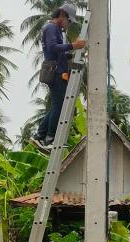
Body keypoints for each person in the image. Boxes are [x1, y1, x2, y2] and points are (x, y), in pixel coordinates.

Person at [31, 3, 86, 150]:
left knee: (58, 105)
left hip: (57, 71)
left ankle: (40, 135)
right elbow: (52, 47)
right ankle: (50, 138)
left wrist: (72, 53)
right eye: (68, 20)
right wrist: (73, 46)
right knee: (58, 105)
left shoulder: (55, 29)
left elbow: (58, 53)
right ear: (62, 15)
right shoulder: (51, 28)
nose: (68, 25)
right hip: (55, 72)